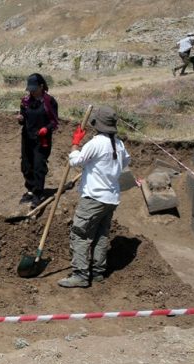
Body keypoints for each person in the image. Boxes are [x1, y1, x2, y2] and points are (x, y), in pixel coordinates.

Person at [58, 106, 131, 288]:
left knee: (80, 234)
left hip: (93, 198)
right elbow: (126, 162)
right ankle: (98, 272)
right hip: (111, 198)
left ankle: (80, 275)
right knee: (101, 235)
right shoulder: (119, 144)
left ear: (96, 124)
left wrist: (75, 143)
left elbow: (75, 161)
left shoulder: (96, 143)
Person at [17, 73, 59, 209]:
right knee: (26, 165)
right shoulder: (25, 101)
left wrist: (46, 129)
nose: (32, 91)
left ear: (42, 86)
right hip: (27, 137)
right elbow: (23, 116)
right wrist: (21, 118)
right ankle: (30, 190)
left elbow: (54, 122)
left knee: (38, 167)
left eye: (34, 89)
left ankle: (38, 194)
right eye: (30, 89)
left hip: (42, 140)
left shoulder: (49, 102)